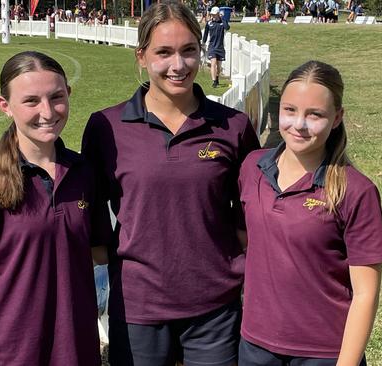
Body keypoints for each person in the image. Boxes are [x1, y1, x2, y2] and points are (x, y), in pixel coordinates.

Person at [81, 2, 261, 365]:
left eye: (189, 51)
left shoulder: (234, 126)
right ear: (142, 57)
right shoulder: (106, 127)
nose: (178, 65)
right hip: (138, 307)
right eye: (163, 52)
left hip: (215, 306)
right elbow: (89, 210)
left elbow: (251, 212)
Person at [0, 51, 111, 365]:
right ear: (4, 106)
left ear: (69, 95)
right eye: (31, 101)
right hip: (14, 356)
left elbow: (103, 254)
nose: (47, 111)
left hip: (80, 354)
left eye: (56, 97)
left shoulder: (84, 174)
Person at [237, 60, 382, 366]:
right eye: (290, 110)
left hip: (324, 352)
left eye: (315, 114)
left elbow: (365, 295)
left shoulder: (356, 190)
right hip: (255, 345)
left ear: (337, 118)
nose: (299, 125)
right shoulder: (251, 167)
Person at [202, 6, 230, 88]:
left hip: (220, 47)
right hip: (212, 47)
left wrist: (223, 18)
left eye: (214, 14)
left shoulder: (222, 23)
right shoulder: (209, 23)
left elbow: (227, 27)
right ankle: (214, 81)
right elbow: (206, 34)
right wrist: (203, 43)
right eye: (212, 14)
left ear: (218, 14)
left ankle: (217, 78)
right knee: (213, 63)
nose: (213, 16)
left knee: (219, 67)